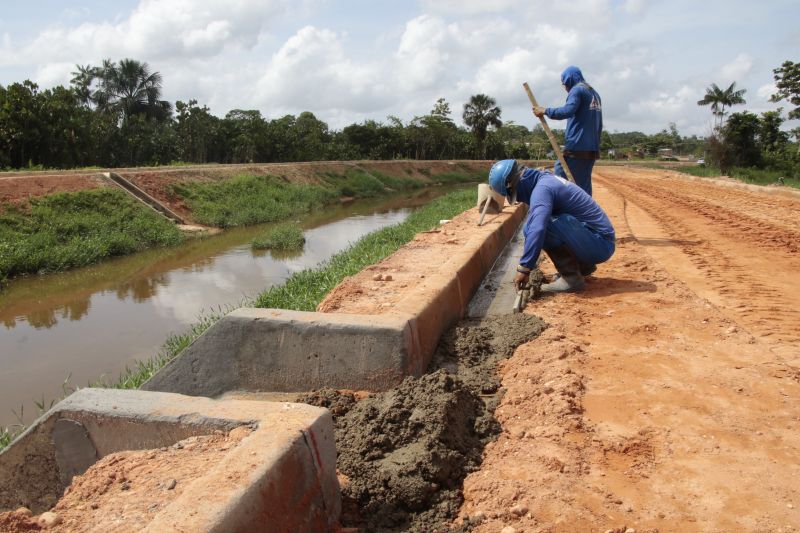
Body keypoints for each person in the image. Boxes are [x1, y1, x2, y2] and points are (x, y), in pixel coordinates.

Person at [487, 159, 615, 293]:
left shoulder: (542, 189)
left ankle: (571, 279)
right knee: (530, 227)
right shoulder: (545, 180)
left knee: (543, 225)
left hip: (600, 244)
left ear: (515, 184)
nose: (518, 199)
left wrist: (524, 268)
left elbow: (538, 228)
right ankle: (582, 267)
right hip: (594, 239)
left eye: (514, 194)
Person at [533, 66, 602, 196]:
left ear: (570, 79)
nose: (565, 87)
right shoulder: (594, 93)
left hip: (577, 147)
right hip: (592, 149)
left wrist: (545, 111)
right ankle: (587, 214)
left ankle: (562, 213)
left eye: (564, 83)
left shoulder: (577, 91)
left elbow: (567, 111)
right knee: (583, 185)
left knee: (559, 176)